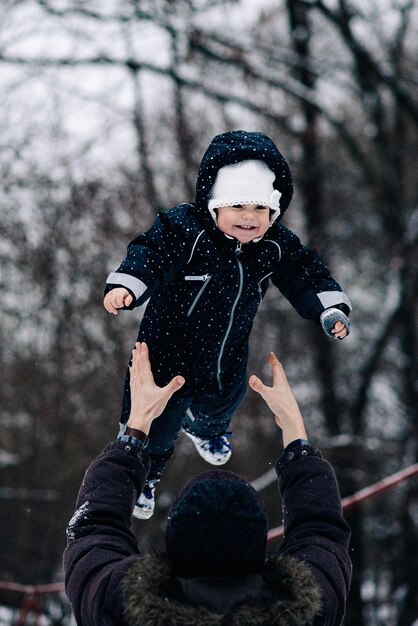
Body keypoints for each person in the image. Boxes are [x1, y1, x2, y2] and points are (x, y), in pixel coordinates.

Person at [103, 130, 352, 518]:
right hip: (166, 351)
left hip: (225, 350)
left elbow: (307, 273)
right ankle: (145, 475)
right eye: (237, 206)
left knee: (225, 399)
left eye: (261, 209)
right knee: (157, 421)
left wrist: (328, 309)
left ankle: (206, 428)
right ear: (214, 204)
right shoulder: (187, 230)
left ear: (274, 211)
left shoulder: (275, 245)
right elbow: (150, 252)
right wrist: (127, 285)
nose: (249, 218)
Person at [64, 342, 352, 626]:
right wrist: (295, 433)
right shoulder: (307, 611)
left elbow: (94, 529)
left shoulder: (117, 607)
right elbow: (321, 532)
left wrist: (136, 426)